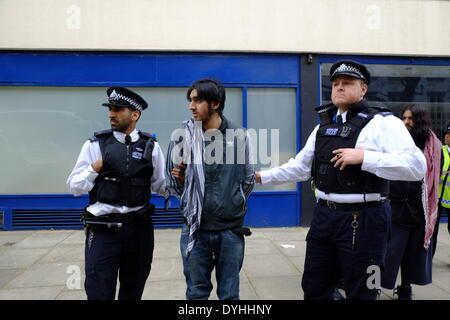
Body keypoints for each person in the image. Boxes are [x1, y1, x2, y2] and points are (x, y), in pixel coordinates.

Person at [255, 60, 427, 300]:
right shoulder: (322, 128)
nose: (339, 87)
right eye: (335, 83)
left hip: (368, 221)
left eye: (347, 83)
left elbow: (416, 166)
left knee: (364, 290)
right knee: (315, 287)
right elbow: (300, 168)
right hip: (325, 218)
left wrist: (365, 157)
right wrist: (260, 177)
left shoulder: (384, 124)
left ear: (363, 89)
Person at [67, 87, 167, 300]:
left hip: (139, 230)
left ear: (135, 114)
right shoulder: (96, 145)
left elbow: (161, 185)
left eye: (118, 109)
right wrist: (94, 168)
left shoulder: (152, 146)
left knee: (133, 291)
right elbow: (74, 186)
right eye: (110, 109)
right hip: (104, 230)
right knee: (99, 293)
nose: (111, 114)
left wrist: (184, 179)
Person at [166, 78, 255, 300]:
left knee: (229, 294)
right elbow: (173, 179)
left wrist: (235, 200)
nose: (191, 106)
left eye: (197, 100)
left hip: (230, 229)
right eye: (190, 100)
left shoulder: (239, 135)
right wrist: (191, 188)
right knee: (196, 293)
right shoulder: (182, 136)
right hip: (195, 230)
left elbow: (248, 178)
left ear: (215, 104)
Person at [380, 105, 441, 300]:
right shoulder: (394, 142)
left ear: (420, 121)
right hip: (394, 205)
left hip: (420, 208)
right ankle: (372, 286)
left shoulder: (433, 145)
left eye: (411, 119)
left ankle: (405, 288)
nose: (406, 122)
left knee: (412, 254)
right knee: (386, 252)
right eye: (404, 118)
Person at [432, 124, 450, 257]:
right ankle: (429, 259)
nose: (447, 137)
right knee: (433, 229)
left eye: (449, 135)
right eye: (446, 135)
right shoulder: (440, 150)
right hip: (438, 196)